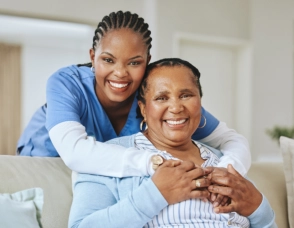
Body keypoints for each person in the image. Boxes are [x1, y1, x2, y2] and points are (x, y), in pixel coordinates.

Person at [17, 10, 250, 178]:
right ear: (92, 57)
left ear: (147, 62)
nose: (120, 73)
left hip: (101, 173)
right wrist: (155, 163)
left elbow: (232, 140)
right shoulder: (67, 83)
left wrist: (228, 169)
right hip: (45, 162)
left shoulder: (158, 99)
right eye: (108, 60)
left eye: (134, 62)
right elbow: (74, 152)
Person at [68, 58, 276, 228]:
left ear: (199, 104)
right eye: (161, 98)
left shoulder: (225, 161)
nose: (176, 107)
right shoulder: (106, 157)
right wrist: (155, 194)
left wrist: (259, 208)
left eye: (186, 95)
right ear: (143, 109)